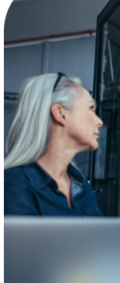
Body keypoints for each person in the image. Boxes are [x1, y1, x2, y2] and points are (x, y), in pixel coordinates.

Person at [3, 73, 103, 216]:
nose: (99, 122)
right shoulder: (13, 185)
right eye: (91, 108)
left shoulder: (81, 186)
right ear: (60, 114)